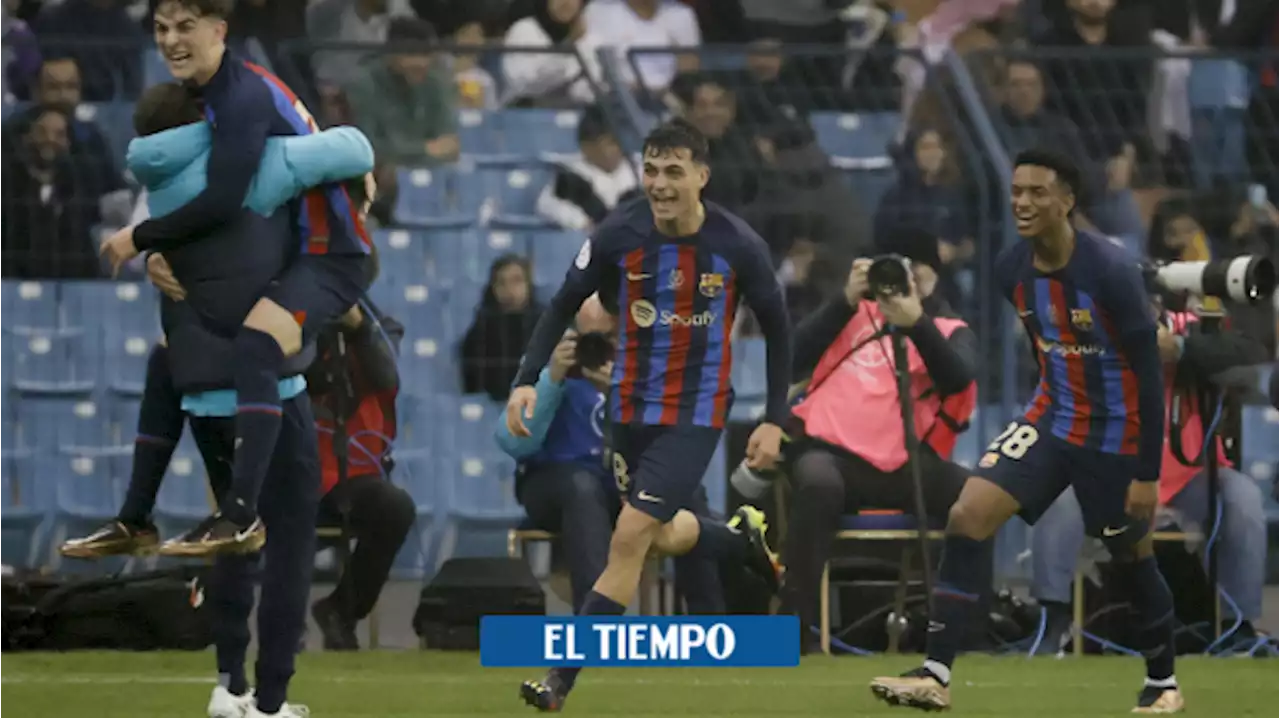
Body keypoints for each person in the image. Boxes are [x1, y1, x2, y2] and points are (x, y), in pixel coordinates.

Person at [58, 82, 375, 718]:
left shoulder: (157, 179)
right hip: (264, 383)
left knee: (231, 537)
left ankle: (228, 683)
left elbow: (172, 248)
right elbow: (351, 150)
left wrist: (144, 247)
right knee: (283, 538)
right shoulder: (253, 167)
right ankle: (272, 699)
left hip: (195, 385)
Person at [870, 148, 1180, 714]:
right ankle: (936, 673)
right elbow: (1046, 348)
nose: (1022, 202)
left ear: (1067, 201)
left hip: (1113, 434)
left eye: (1038, 192)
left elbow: (1148, 374)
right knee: (968, 515)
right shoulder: (1011, 268)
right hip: (1050, 418)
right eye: (1017, 191)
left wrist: (1147, 473)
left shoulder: (1110, 272)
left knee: (1130, 558)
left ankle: (1164, 684)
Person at [507, 118, 791, 711]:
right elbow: (562, 303)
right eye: (651, 170)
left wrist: (774, 418)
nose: (659, 184)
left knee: (630, 534)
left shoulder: (738, 245)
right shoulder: (619, 233)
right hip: (628, 411)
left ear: (702, 177)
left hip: (695, 414)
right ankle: (737, 542)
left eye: (674, 172)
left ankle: (560, 681)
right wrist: (524, 381)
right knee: (657, 535)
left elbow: (779, 328)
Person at [98, 0, 375, 558]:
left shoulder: (241, 97)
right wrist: (165, 255)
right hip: (281, 256)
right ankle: (138, 519)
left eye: (185, 27)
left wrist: (141, 239)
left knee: (255, 347)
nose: (171, 40)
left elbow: (226, 200)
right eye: (161, 29)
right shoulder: (214, 98)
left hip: (328, 258)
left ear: (219, 31)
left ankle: (240, 517)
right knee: (168, 356)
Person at [778, 234, 981, 654]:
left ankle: (970, 630)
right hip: (832, 455)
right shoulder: (851, 315)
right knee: (817, 484)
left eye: (915, 271)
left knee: (978, 499)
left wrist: (916, 324)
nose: (903, 279)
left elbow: (959, 376)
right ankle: (794, 635)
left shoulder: (948, 328)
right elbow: (791, 355)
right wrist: (844, 299)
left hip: (908, 464)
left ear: (931, 279)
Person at [1031, 299, 1271, 651]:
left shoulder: (1194, 323)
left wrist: (1181, 348)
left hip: (1189, 472)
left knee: (1243, 497)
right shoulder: (1088, 330)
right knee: (1058, 500)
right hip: (1110, 470)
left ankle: (1240, 628)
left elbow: (1248, 362)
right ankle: (1052, 622)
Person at [496, 294, 724, 614]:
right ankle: (596, 627)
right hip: (555, 483)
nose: (598, 349)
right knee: (581, 488)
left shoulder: (644, 365)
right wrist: (551, 380)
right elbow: (513, 442)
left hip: (623, 481)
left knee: (685, 490)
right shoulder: (548, 361)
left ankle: (710, 620)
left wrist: (622, 395)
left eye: (608, 338)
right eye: (589, 339)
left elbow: (667, 444)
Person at [308, 293, 414, 652]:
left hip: (353, 473)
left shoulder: (382, 327)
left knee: (395, 507)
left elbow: (387, 377)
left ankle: (341, 610)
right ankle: (283, 623)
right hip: (294, 467)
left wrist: (359, 330)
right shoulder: (288, 319)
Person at [461, 255, 544, 401]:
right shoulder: (480, 331)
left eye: (516, 281)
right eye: (502, 283)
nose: (509, 289)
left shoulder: (546, 325)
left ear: (528, 285)